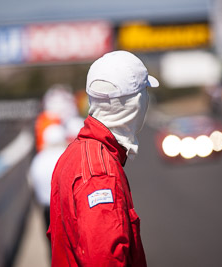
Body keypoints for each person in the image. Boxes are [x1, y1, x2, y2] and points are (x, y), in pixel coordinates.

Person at [48, 50, 159, 266]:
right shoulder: (100, 172)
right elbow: (105, 259)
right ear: (135, 103)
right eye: (145, 92)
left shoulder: (75, 152)